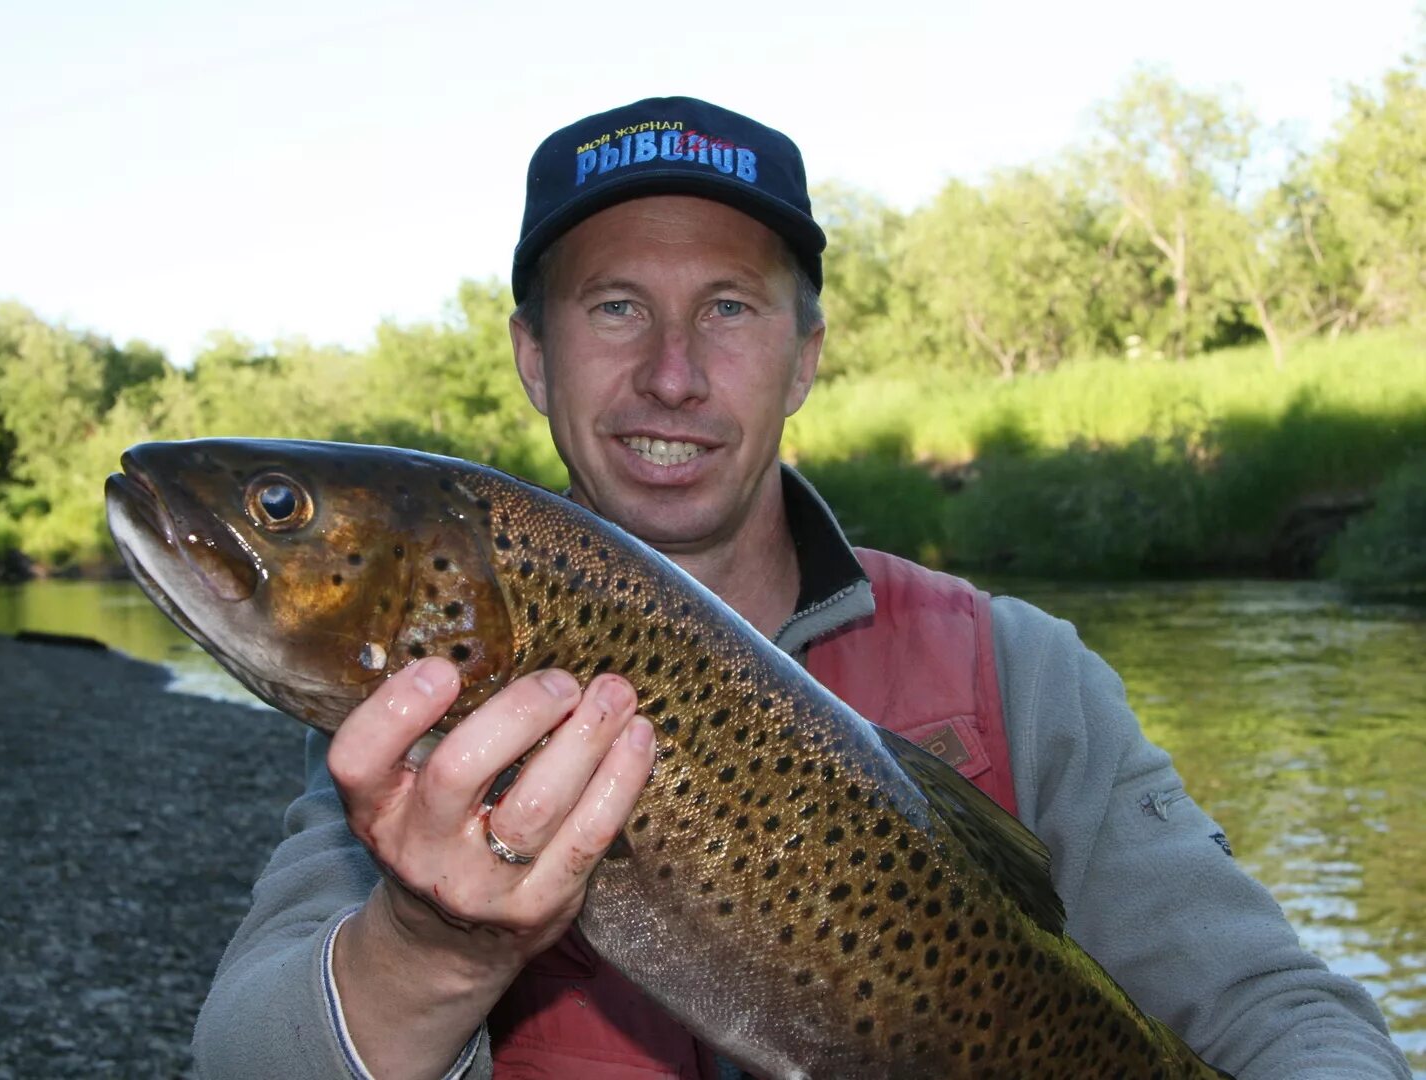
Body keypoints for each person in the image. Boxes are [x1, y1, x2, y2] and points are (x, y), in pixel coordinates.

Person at [192, 97, 1409, 1079]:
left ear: (805, 356)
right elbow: (244, 1053)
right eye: (616, 307)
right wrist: (428, 947)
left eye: (727, 308)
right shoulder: (413, 739)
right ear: (532, 355)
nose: (672, 374)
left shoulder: (1023, 672)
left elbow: (1275, 1009)